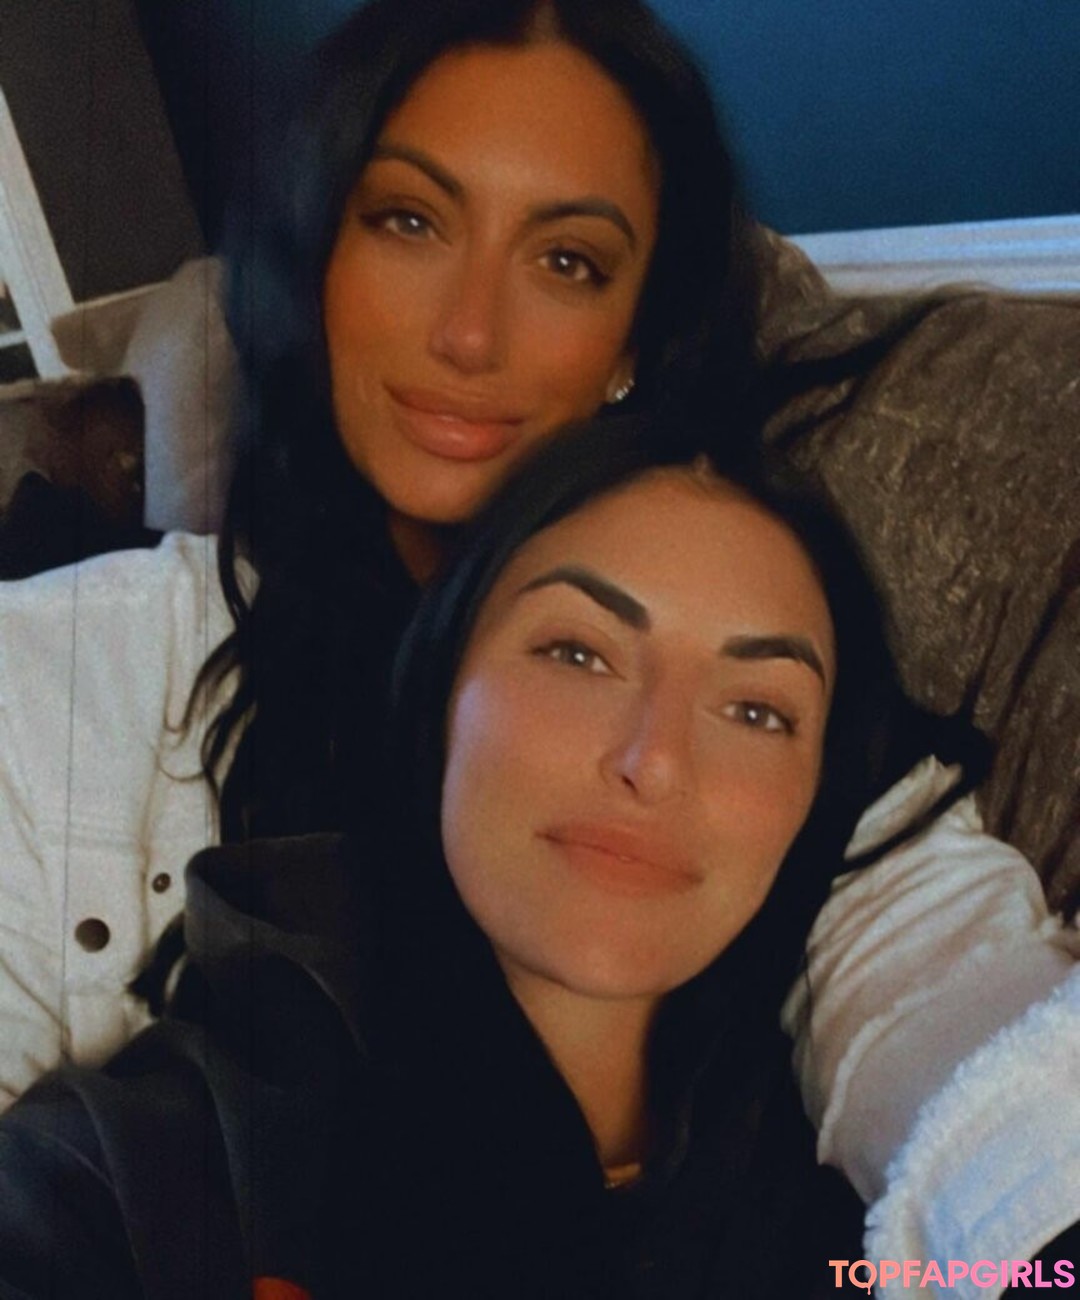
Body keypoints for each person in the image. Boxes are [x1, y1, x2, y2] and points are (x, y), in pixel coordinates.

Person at [0, 0, 766, 1105]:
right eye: (409, 221)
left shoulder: (769, 676)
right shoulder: (50, 680)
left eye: (566, 260)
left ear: (632, 347)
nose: (469, 334)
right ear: (316, 259)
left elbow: (941, 998)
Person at [0, 417, 890, 1298]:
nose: (654, 761)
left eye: (757, 712)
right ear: (441, 696)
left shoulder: (887, 1201)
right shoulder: (161, 1172)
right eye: (579, 654)